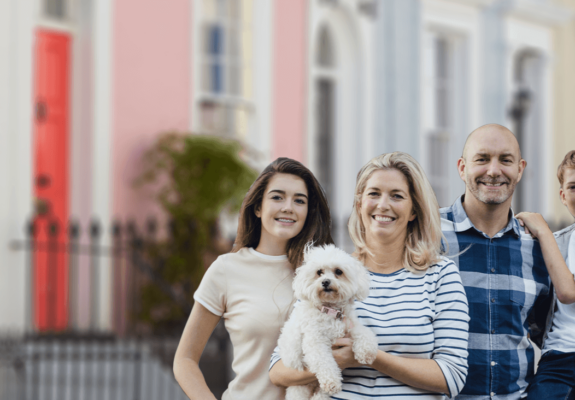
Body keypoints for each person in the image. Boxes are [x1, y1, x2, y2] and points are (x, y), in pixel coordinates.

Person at [270, 152, 469, 399]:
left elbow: (452, 375)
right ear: (359, 204)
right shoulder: (330, 272)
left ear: (413, 211)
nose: (383, 205)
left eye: (396, 196)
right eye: (374, 194)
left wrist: (371, 358)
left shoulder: (441, 276)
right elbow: (278, 371)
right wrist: (330, 363)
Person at [173, 157, 333, 400]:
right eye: (277, 197)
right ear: (258, 207)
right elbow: (184, 360)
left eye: (299, 200)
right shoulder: (227, 269)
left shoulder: (325, 272)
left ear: (307, 212)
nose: (288, 207)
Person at [440, 123, 552, 400]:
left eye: (505, 160)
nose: (493, 170)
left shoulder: (538, 247)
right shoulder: (426, 235)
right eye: (482, 159)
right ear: (462, 167)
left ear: (520, 169)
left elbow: (549, 338)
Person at [513, 150, 575, 400]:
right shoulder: (558, 244)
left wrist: (543, 230)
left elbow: (568, 292)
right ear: (563, 195)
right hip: (558, 360)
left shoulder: (549, 240)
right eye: (573, 187)